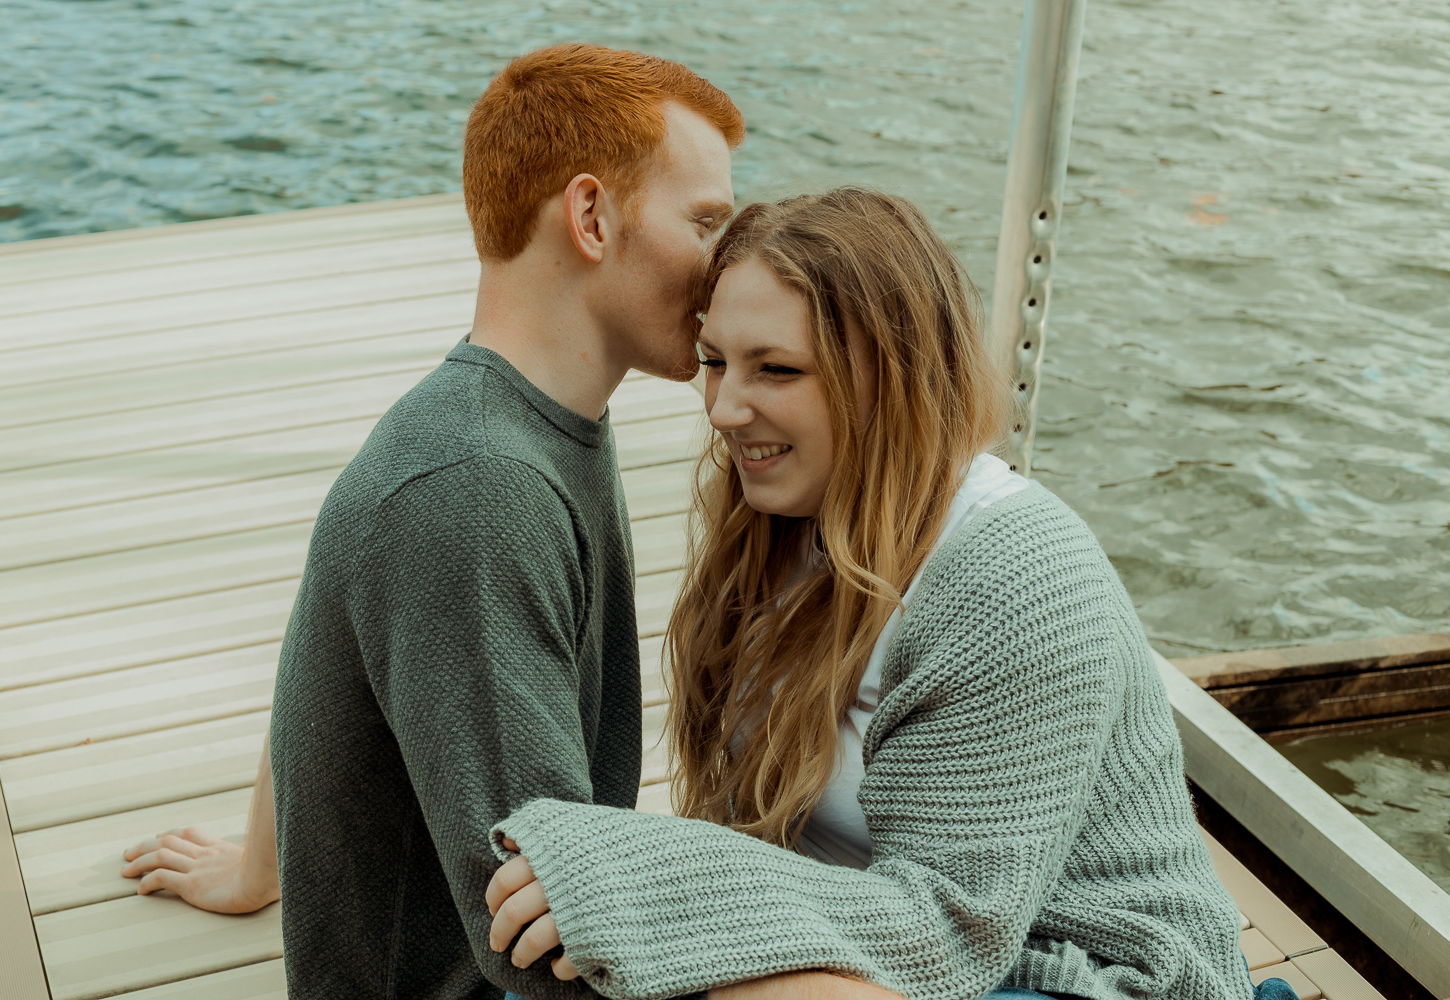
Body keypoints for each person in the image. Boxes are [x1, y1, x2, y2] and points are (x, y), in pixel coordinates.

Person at [482, 189, 1263, 1000]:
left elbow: (950, 931)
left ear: (895, 377)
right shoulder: (782, 522)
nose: (723, 408)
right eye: (714, 360)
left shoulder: (1018, 578)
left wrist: (645, 879)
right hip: (878, 941)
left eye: (776, 369)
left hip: (1082, 971)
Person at [119, 42, 743, 999]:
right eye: (705, 224)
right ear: (591, 217)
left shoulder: (515, 421)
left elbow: (334, 634)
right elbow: (548, 945)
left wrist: (259, 866)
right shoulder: (478, 488)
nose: (724, 267)